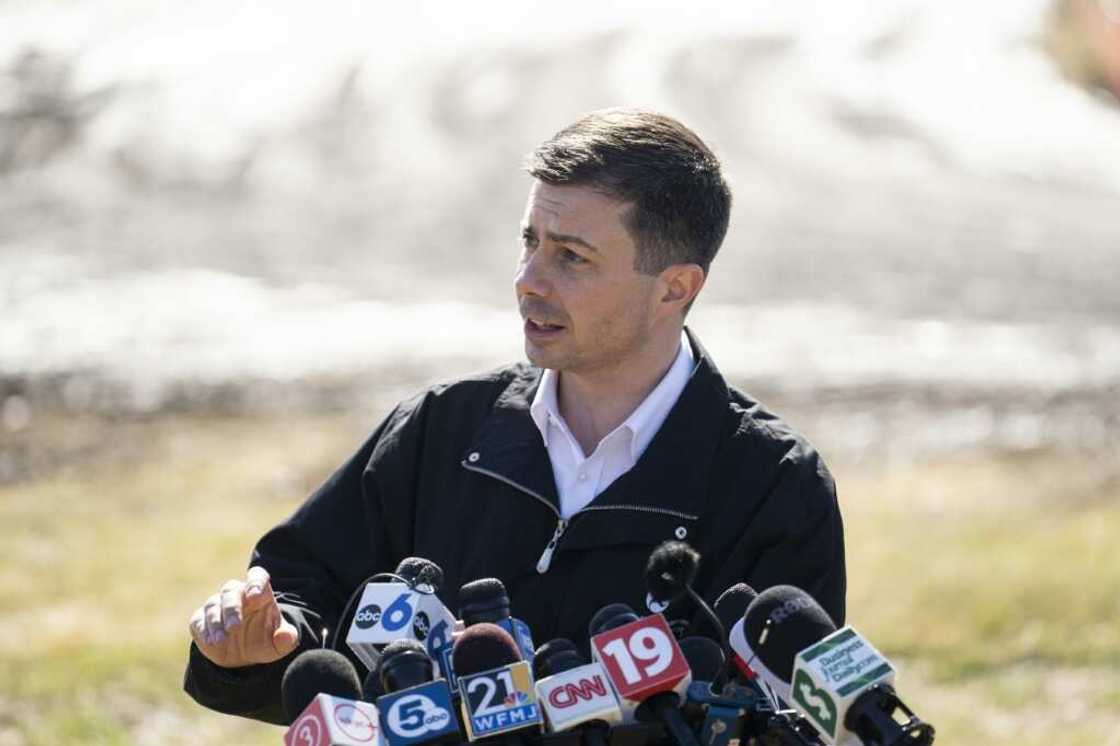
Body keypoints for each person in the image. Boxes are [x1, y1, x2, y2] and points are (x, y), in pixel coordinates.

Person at [184, 108, 846, 724]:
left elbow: (788, 718)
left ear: (675, 287)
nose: (529, 279)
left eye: (571, 256)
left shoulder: (775, 485)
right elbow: (304, 588)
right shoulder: (441, 427)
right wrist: (264, 646)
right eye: (529, 241)